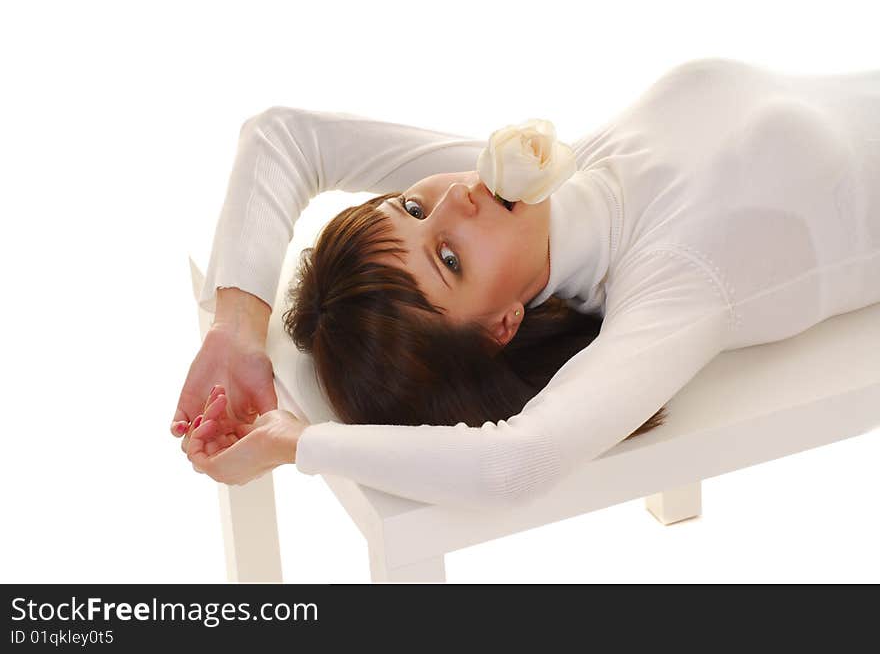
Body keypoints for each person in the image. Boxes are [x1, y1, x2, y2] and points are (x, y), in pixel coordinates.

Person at [172, 57, 880, 510]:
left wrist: (235, 331)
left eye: (411, 207)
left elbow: (283, 135)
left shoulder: (557, 192)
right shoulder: (673, 281)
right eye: (449, 259)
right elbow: (514, 464)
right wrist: (297, 444)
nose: (455, 200)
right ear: (503, 323)